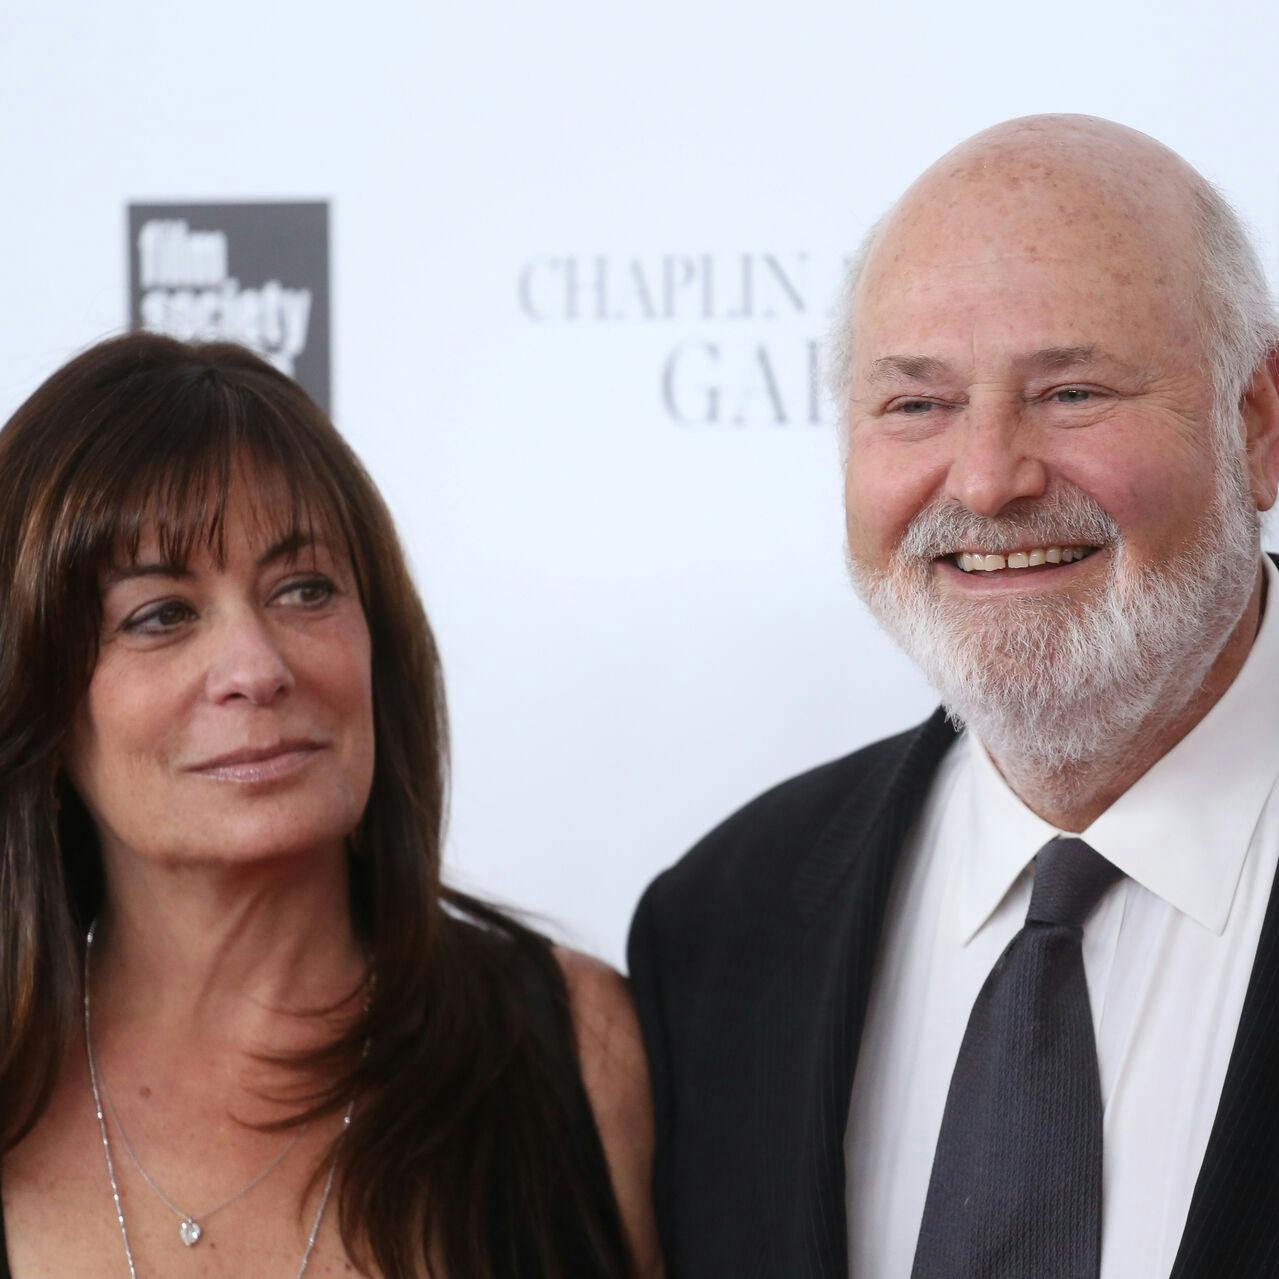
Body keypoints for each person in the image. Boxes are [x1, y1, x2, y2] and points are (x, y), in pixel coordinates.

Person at [628, 113, 1279, 1279]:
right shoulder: (720, 927)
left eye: (1071, 392)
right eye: (916, 405)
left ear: (1257, 421)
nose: (987, 480)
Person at [0, 332, 660, 1278]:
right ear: (40, 695)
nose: (256, 669)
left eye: (304, 589)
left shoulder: (574, 1045)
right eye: (161, 614)